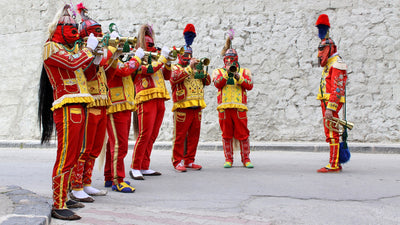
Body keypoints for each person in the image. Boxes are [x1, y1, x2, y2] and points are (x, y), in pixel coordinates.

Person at [38, 4, 99, 220]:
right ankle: (58, 202)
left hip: (80, 105)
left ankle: (66, 194)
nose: (74, 30)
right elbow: (73, 64)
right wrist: (89, 50)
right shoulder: (51, 48)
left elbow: (87, 73)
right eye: (70, 27)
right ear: (58, 28)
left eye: (76, 27)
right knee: (66, 155)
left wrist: (96, 57)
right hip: (66, 106)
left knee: (74, 153)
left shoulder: (72, 48)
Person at [69, 3, 115, 202]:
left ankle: (87, 183)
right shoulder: (81, 51)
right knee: (84, 147)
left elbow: (108, 76)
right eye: (95, 33)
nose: (99, 36)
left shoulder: (97, 51)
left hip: (103, 103)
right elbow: (86, 75)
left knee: (96, 147)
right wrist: (94, 56)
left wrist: (115, 57)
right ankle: (76, 185)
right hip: (89, 104)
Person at [129, 24, 172, 180]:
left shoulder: (156, 56)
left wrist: (167, 63)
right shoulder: (138, 56)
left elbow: (167, 76)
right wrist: (161, 60)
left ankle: (145, 165)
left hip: (160, 97)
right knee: (144, 134)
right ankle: (135, 166)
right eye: (150, 44)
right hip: (146, 97)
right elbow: (147, 70)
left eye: (153, 43)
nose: (153, 46)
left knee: (153, 135)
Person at [103, 35, 145, 193]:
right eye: (118, 44)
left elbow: (129, 75)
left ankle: (110, 175)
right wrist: (137, 58)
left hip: (124, 104)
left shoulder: (117, 59)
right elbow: (124, 70)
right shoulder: (110, 60)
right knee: (119, 145)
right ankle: (117, 180)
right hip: (116, 105)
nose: (121, 47)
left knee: (113, 145)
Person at [169, 24, 211, 172]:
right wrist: (189, 67)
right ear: (180, 56)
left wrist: (201, 69)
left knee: (194, 136)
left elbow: (208, 82)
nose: (188, 57)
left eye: (189, 55)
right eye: (185, 55)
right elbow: (174, 79)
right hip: (182, 107)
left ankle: (189, 160)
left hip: (197, 107)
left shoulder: (195, 68)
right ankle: (177, 161)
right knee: (180, 136)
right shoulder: (176, 68)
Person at [212, 31, 254, 169]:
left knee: (243, 134)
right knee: (226, 134)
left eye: (232, 58)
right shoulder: (218, 72)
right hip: (224, 107)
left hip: (239, 107)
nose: (230, 61)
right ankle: (228, 159)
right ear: (224, 59)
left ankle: (246, 159)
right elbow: (217, 84)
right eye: (228, 58)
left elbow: (249, 85)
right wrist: (227, 74)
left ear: (237, 58)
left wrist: (237, 76)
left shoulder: (244, 71)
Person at [315, 14, 348, 173]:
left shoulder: (337, 64)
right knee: (330, 132)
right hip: (326, 103)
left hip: (331, 104)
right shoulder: (331, 64)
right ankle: (335, 161)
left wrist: (330, 107)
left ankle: (333, 164)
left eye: (322, 50)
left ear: (329, 49)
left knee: (332, 132)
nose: (319, 54)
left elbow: (337, 88)